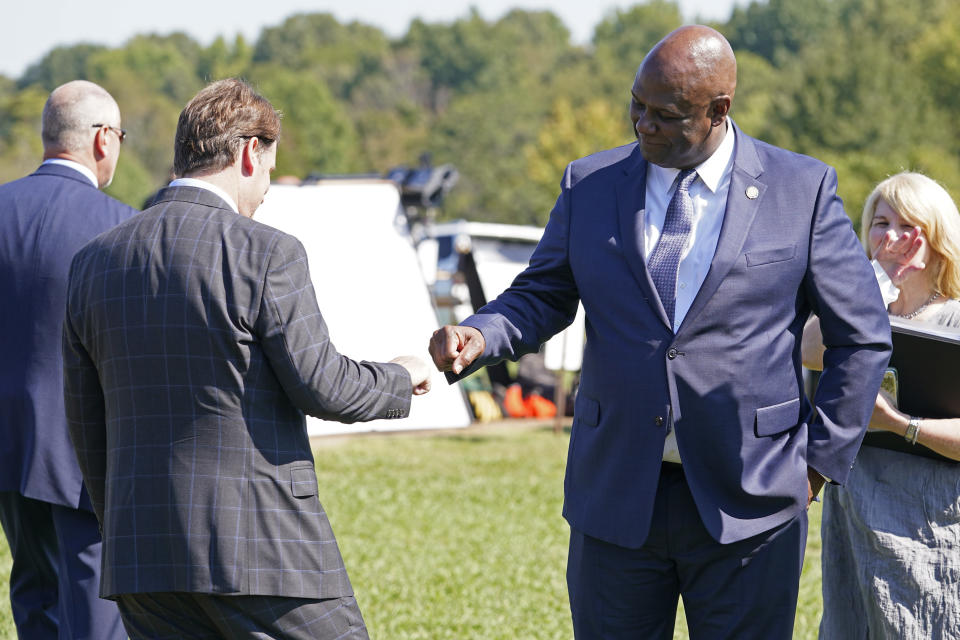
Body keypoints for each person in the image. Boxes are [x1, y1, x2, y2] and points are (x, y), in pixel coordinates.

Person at [429, 25, 892, 639]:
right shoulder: (588, 185)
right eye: (636, 105)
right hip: (617, 494)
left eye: (665, 114)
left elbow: (861, 336)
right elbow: (542, 293)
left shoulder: (800, 190)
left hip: (751, 500)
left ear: (719, 110)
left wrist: (816, 464)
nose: (643, 124)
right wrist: (481, 335)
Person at [62, 78, 431, 640]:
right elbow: (324, 385)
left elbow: (85, 422)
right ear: (247, 152)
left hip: (142, 556)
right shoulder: (267, 252)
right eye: (267, 176)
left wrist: (121, 523)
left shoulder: (93, 262)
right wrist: (403, 376)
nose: (262, 197)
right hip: (264, 549)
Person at [0, 80, 135, 640]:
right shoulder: (121, 226)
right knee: (96, 611)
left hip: (7, 443)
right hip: (86, 448)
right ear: (104, 139)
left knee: (34, 594)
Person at [802, 172, 960, 639]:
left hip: (930, 521)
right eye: (879, 223)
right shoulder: (862, 313)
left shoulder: (954, 320)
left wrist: (897, 423)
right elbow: (809, 348)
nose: (889, 237)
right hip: (855, 514)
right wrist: (872, 285)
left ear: (936, 236)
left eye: (907, 226)